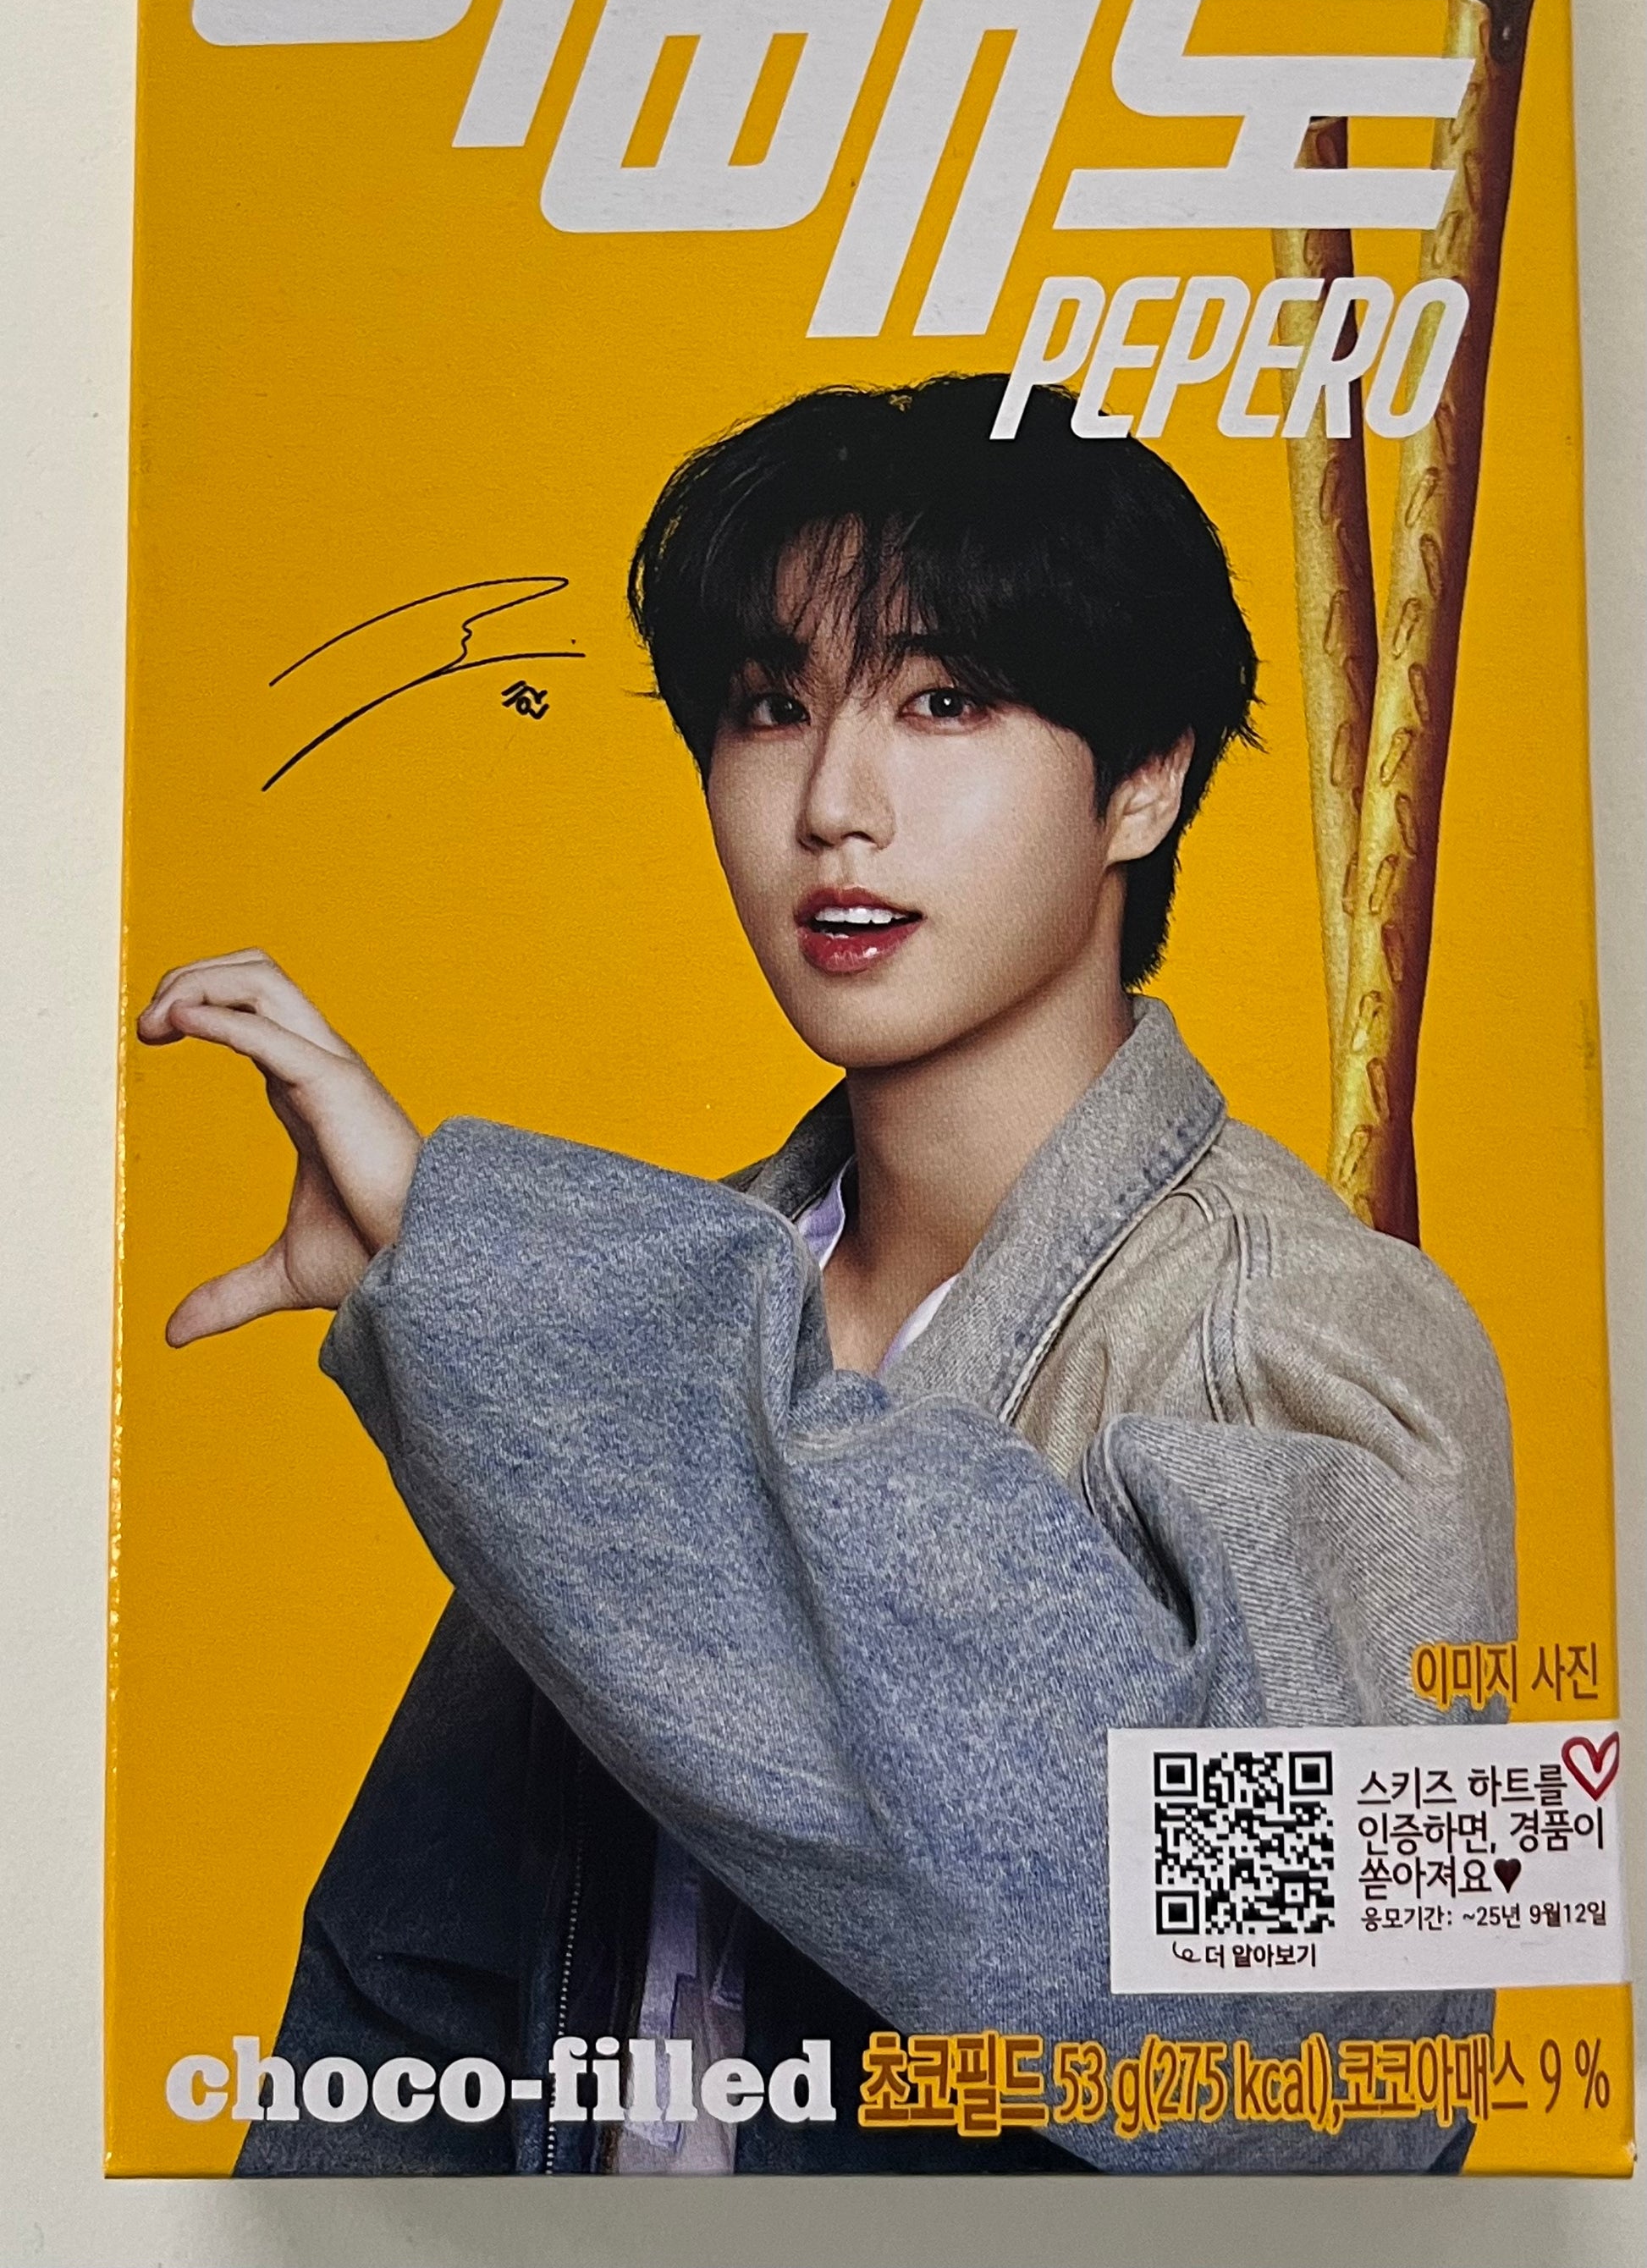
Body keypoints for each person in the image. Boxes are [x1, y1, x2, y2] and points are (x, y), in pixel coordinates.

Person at [138, 375, 1516, 2177]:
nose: (832, 807)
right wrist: (513, 1317)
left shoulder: (1312, 1330)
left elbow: (1336, 2067)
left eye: (943, 702)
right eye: (769, 708)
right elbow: (405, 2015)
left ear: (1144, 779)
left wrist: (508, 1282)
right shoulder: (670, 1301)